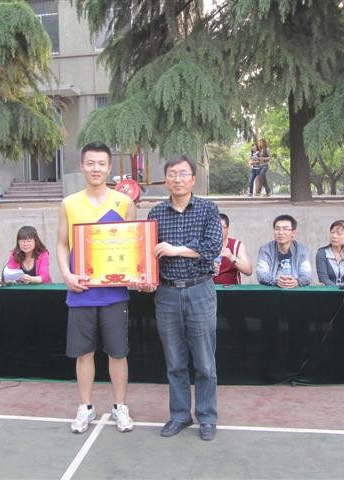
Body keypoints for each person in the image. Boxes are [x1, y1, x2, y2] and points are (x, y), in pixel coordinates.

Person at [56, 141, 136, 434]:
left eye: (101, 164)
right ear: (82, 166)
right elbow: (62, 244)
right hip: (81, 291)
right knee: (83, 353)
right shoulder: (69, 203)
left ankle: (120, 407)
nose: (96, 169)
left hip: (114, 292)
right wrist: (67, 274)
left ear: (109, 167)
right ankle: (85, 407)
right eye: (90, 163)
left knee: (118, 353)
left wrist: (135, 273)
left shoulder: (124, 203)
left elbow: (132, 245)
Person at [145, 155, 222, 441]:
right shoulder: (155, 213)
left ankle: (207, 417)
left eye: (183, 174)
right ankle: (179, 415)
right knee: (175, 362)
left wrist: (175, 249)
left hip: (200, 290)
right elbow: (147, 253)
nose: (177, 179)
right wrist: (144, 277)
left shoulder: (208, 209)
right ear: (166, 179)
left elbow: (212, 247)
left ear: (193, 179)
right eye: (172, 174)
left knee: (204, 362)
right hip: (166, 293)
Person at [257, 214, 311, 288]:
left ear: (293, 233)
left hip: (295, 290)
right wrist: (276, 282)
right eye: (277, 229)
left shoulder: (302, 250)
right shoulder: (265, 249)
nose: (280, 232)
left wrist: (296, 282)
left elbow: (306, 275)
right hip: (272, 289)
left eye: (285, 229)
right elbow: (262, 274)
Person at [315, 220, 344, 287]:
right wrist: (337, 290)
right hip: (328, 291)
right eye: (332, 232)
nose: (334, 236)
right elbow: (323, 278)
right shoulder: (322, 253)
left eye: (339, 234)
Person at [213, 213, 253, 285]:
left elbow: (249, 271)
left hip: (232, 289)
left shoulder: (236, 245)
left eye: (222, 227)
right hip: (208, 290)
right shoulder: (204, 246)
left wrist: (231, 257)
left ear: (228, 229)